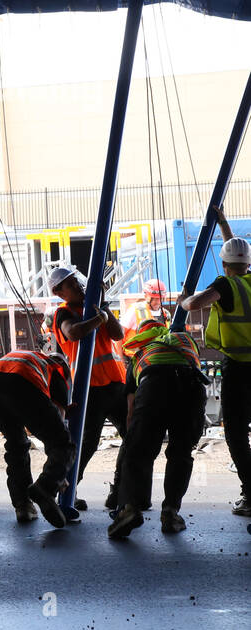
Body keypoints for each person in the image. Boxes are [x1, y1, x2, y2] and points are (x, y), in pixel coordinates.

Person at [179, 210, 251, 517]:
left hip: (238, 368)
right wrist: (223, 225)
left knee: (235, 431)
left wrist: (184, 299)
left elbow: (196, 303)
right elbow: (234, 254)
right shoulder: (246, 282)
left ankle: (250, 493)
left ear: (223, 264)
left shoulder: (226, 285)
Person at [109, 320, 208, 539]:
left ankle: (130, 509)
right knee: (181, 453)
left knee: (138, 453)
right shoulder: (185, 340)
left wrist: (132, 439)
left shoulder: (140, 356)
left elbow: (131, 410)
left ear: (142, 337)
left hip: (154, 385)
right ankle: (170, 514)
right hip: (191, 385)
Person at [48, 265, 128, 510]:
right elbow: (73, 333)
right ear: (60, 292)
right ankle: (63, 492)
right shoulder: (63, 313)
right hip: (90, 388)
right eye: (70, 284)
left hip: (115, 383)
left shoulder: (93, 306)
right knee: (86, 444)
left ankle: (120, 491)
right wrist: (98, 318)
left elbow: (117, 334)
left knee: (133, 436)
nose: (77, 285)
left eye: (76, 281)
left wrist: (103, 308)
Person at [0, 348, 72, 527]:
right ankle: (45, 487)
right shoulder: (57, 371)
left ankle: (24, 506)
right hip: (22, 381)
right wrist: (58, 474)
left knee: (16, 444)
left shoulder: (30, 357)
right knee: (63, 443)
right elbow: (56, 431)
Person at [121, 279, 170, 345]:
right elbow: (118, 335)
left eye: (160, 298)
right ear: (146, 296)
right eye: (154, 299)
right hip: (135, 354)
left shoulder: (166, 315)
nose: (158, 302)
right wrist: (119, 355)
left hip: (156, 353)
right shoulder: (135, 310)